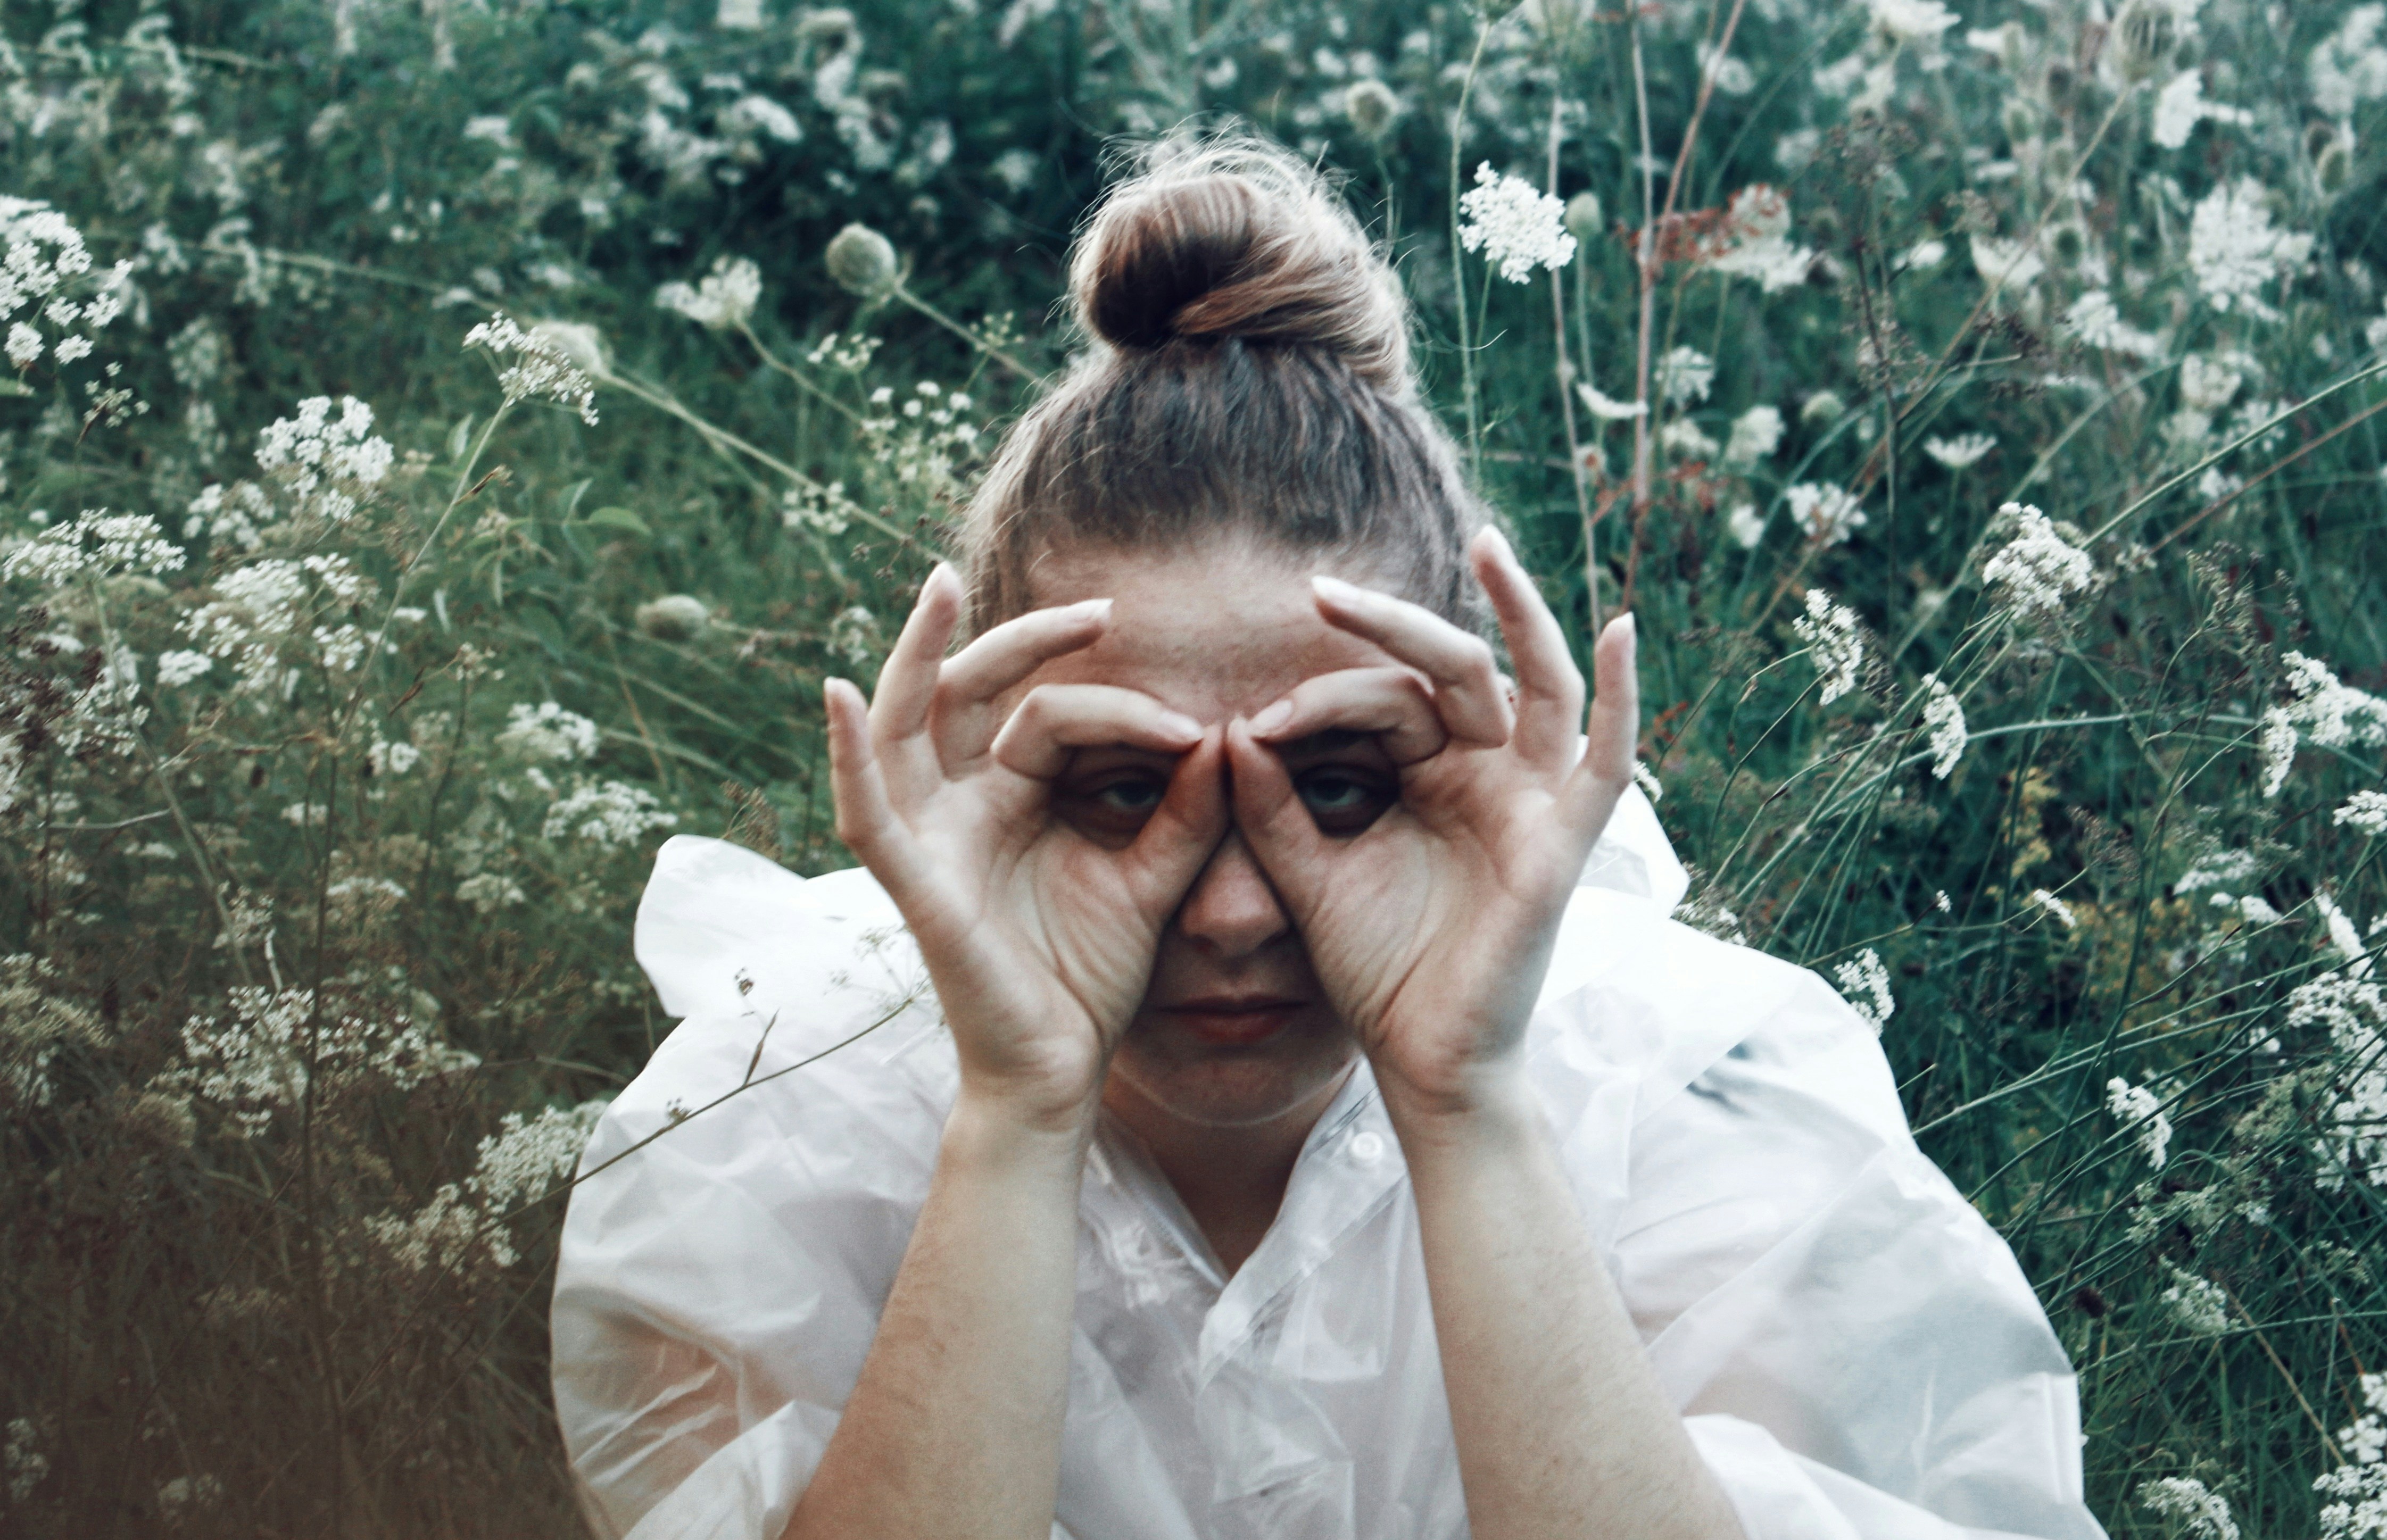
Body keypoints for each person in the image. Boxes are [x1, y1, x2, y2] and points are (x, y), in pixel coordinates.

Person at [550, 136, 2108, 1540]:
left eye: (1339, 784)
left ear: (1467, 751)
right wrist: (1018, 1113)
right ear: (989, 773)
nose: (1232, 906)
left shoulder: (1695, 1109)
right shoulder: (785, 1136)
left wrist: (1465, 1098)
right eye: (1120, 788)